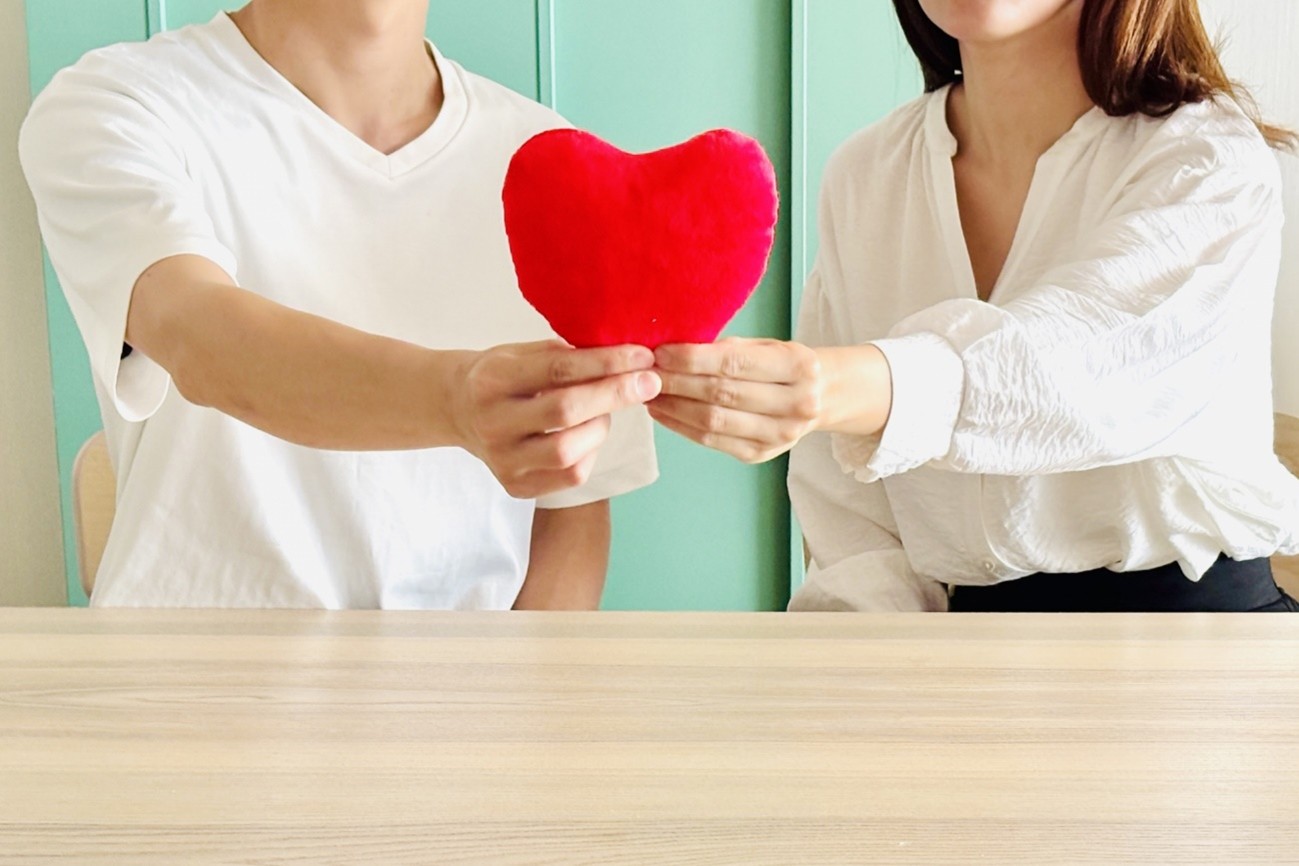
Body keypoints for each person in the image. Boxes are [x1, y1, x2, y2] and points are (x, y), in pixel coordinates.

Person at [650, 0, 1299, 612]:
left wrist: (848, 386)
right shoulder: (867, 172)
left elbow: (1082, 363)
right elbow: (853, 528)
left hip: (1199, 646)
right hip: (962, 651)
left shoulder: (1206, 158)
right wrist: (867, 667)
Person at [20, 0, 661, 609]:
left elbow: (574, 508)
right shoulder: (116, 106)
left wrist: (509, 688)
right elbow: (198, 335)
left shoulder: (553, 159)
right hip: (191, 672)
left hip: (468, 676)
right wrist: (453, 401)